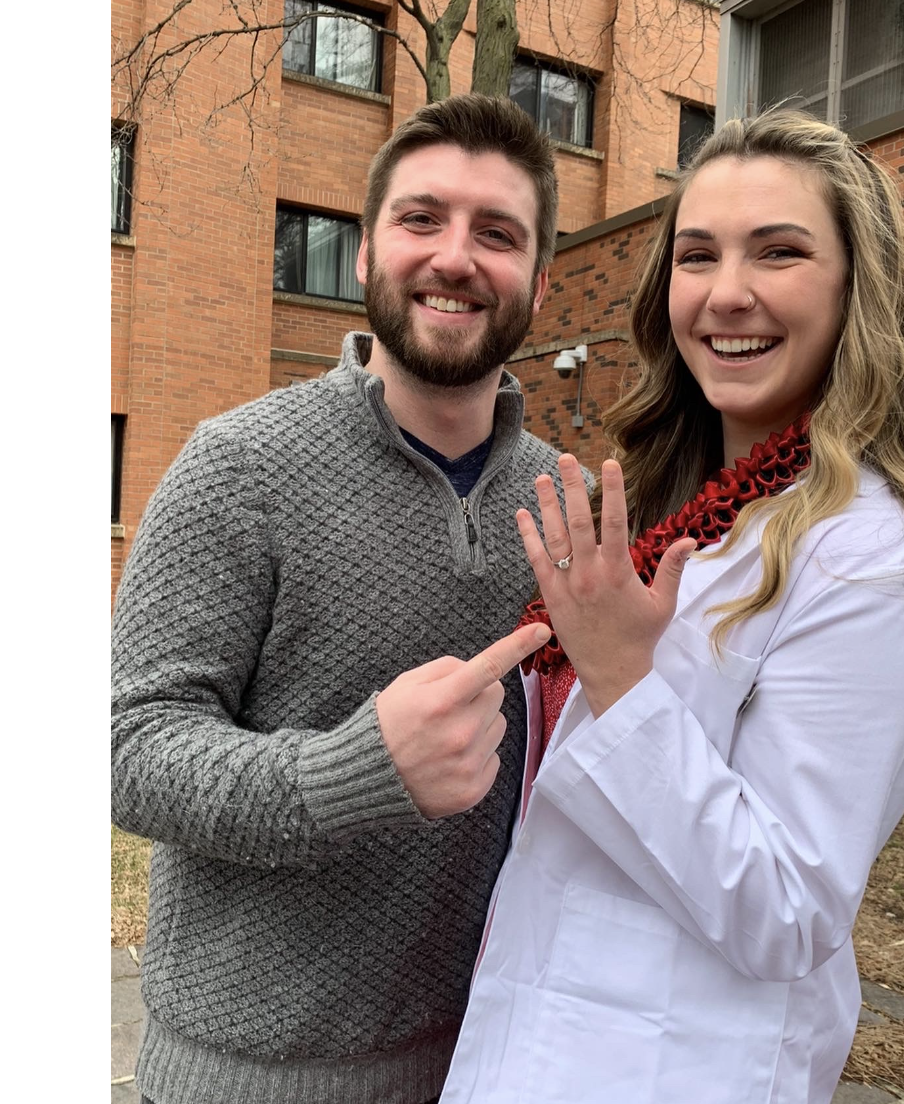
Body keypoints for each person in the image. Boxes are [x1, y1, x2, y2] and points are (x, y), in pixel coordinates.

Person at [438, 109, 904, 1104]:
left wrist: (620, 675)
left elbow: (788, 906)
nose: (728, 293)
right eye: (698, 256)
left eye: (779, 252)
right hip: (547, 1037)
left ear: (854, 287)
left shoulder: (873, 565)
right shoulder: (688, 510)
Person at [111, 94, 569, 1104]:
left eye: (496, 233)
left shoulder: (566, 501)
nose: (455, 257)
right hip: (243, 1082)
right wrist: (350, 773)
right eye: (421, 219)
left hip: (491, 1064)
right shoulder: (237, 465)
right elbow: (127, 747)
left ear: (539, 283)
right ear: (366, 254)